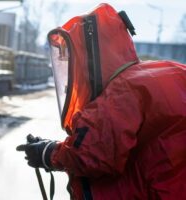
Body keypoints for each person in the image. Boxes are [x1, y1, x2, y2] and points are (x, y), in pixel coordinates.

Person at [17, 3, 186, 200]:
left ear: (88, 60)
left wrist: (47, 153)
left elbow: (91, 155)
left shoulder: (122, 90)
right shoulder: (170, 71)